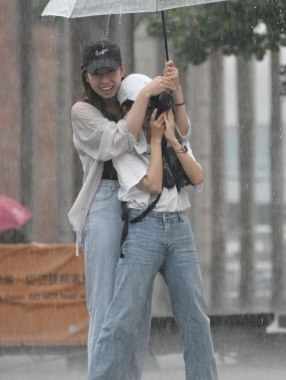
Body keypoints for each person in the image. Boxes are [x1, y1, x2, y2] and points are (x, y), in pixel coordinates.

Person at [89, 74, 217, 380]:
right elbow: (154, 183)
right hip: (143, 231)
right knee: (121, 319)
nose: (152, 115)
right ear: (129, 109)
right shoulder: (123, 145)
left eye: (154, 104)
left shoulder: (174, 137)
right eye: (145, 106)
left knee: (196, 319)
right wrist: (157, 141)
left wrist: (172, 138)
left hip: (180, 230)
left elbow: (198, 178)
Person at [67, 40, 179, 372]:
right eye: (96, 73)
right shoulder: (82, 111)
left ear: (123, 70)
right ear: (86, 76)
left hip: (140, 204)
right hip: (104, 203)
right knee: (104, 305)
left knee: (137, 306)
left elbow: (179, 134)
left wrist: (171, 89)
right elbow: (115, 142)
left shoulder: (131, 100)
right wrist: (144, 98)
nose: (105, 80)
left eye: (111, 72)